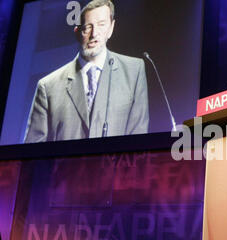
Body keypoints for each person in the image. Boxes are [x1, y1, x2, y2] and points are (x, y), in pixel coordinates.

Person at [24, 0, 149, 143]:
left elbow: (138, 139)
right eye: (88, 27)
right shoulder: (47, 86)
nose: (94, 34)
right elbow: (34, 152)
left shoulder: (134, 70)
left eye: (101, 25)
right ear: (77, 32)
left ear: (111, 28)